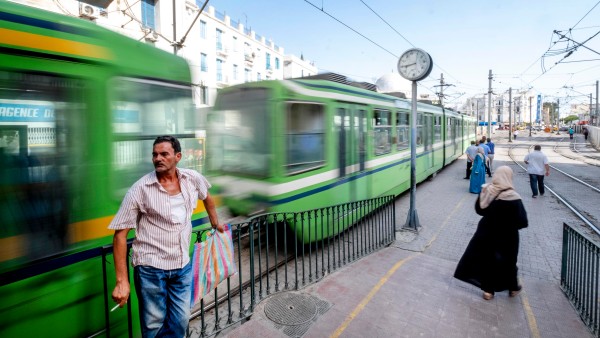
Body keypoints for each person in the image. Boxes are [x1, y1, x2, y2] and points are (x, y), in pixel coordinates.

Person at [109, 135, 224, 338]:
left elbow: (207, 198)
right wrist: (122, 281)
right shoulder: (139, 190)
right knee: (153, 326)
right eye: (155, 155)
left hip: (182, 266)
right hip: (151, 269)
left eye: (164, 154)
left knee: (180, 321)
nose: (158, 158)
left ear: (177, 156)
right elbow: (120, 236)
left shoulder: (191, 179)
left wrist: (215, 223)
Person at [454, 166, 528, 300]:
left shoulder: (487, 190)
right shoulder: (514, 197)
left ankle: (488, 291)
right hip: (508, 236)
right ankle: (512, 287)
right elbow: (523, 222)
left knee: (488, 260)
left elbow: (479, 210)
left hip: (486, 232)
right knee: (509, 262)